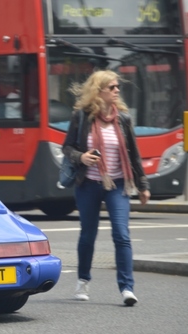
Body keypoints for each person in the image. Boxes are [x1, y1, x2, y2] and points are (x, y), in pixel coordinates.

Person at [62, 70, 149, 306]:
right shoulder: (82, 117)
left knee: (121, 235)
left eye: (117, 87)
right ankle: (83, 281)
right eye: (112, 87)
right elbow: (67, 148)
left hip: (118, 184)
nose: (117, 90)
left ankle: (127, 288)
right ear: (98, 90)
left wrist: (143, 185)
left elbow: (134, 154)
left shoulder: (123, 118)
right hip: (88, 184)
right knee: (88, 235)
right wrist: (82, 157)